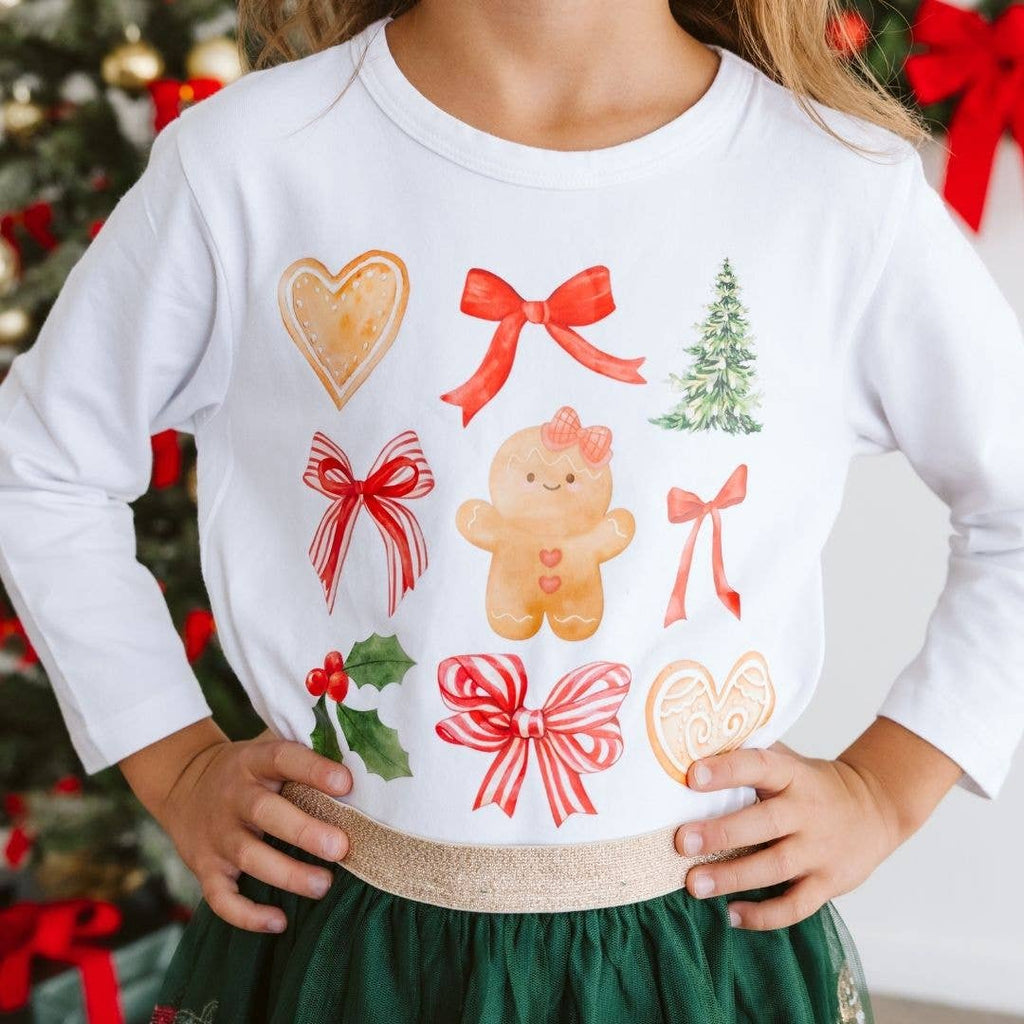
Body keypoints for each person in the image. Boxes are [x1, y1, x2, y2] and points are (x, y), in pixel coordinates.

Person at [1, 0, 1022, 1020]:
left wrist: (889, 789)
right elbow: (40, 464)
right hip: (340, 944)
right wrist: (174, 760)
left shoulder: (835, 187)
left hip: (700, 953)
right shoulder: (252, 161)